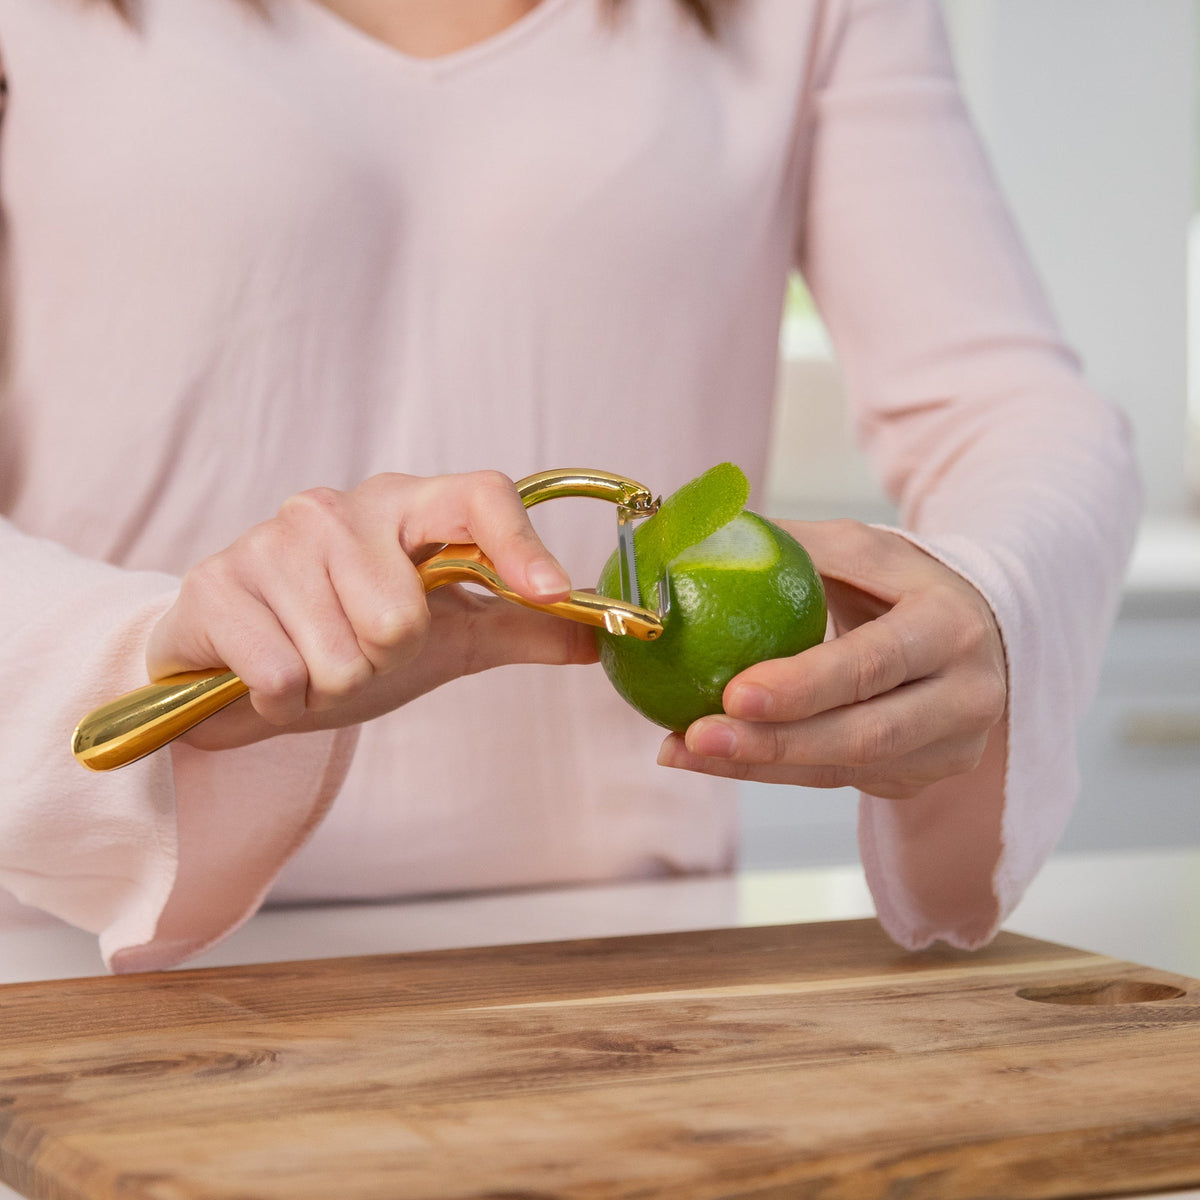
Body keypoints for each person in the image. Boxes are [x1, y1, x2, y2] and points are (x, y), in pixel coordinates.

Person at [0, 0, 1140, 972]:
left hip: (623, 962)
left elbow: (1011, 405)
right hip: (66, 948)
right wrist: (141, 644)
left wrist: (993, 594)